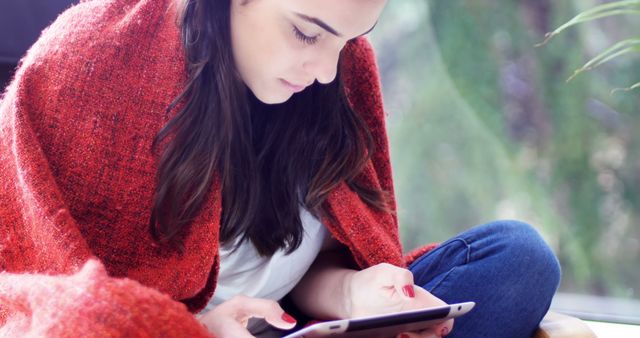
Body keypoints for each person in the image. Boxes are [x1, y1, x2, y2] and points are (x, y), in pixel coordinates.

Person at [0, 0, 561, 337]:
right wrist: (194, 330)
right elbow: (39, 297)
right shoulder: (91, 61)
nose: (324, 70)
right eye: (306, 33)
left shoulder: (341, 72)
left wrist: (352, 296)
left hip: (292, 328)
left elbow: (312, 263)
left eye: (347, 42)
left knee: (518, 259)